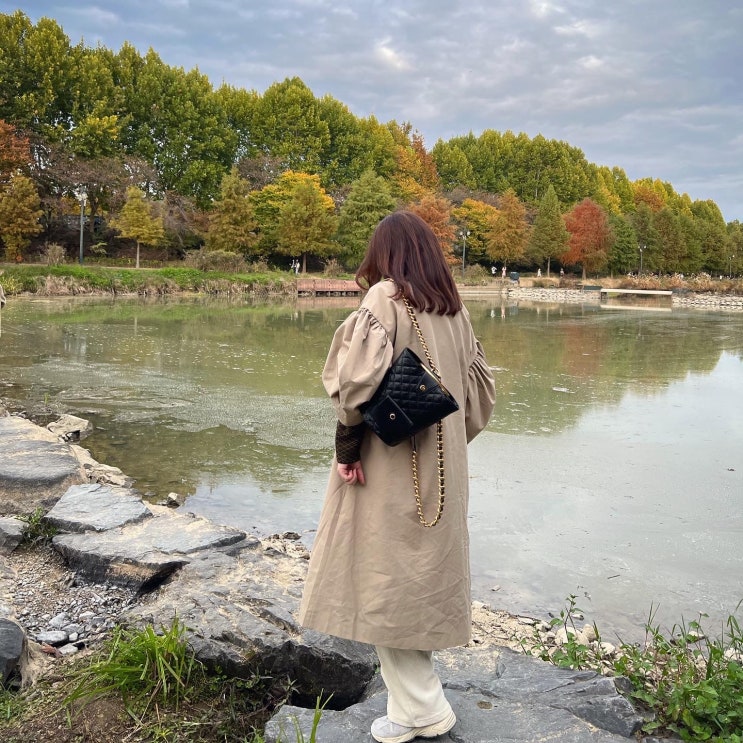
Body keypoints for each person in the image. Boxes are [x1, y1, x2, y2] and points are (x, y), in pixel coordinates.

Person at [298, 211, 496, 743]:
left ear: (385, 253)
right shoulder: (455, 310)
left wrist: (347, 447)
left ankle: (426, 709)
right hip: (443, 470)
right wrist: (446, 444)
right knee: (417, 582)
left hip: (388, 464)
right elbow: (478, 403)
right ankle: (408, 708)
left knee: (384, 581)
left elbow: (352, 388)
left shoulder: (384, 299)